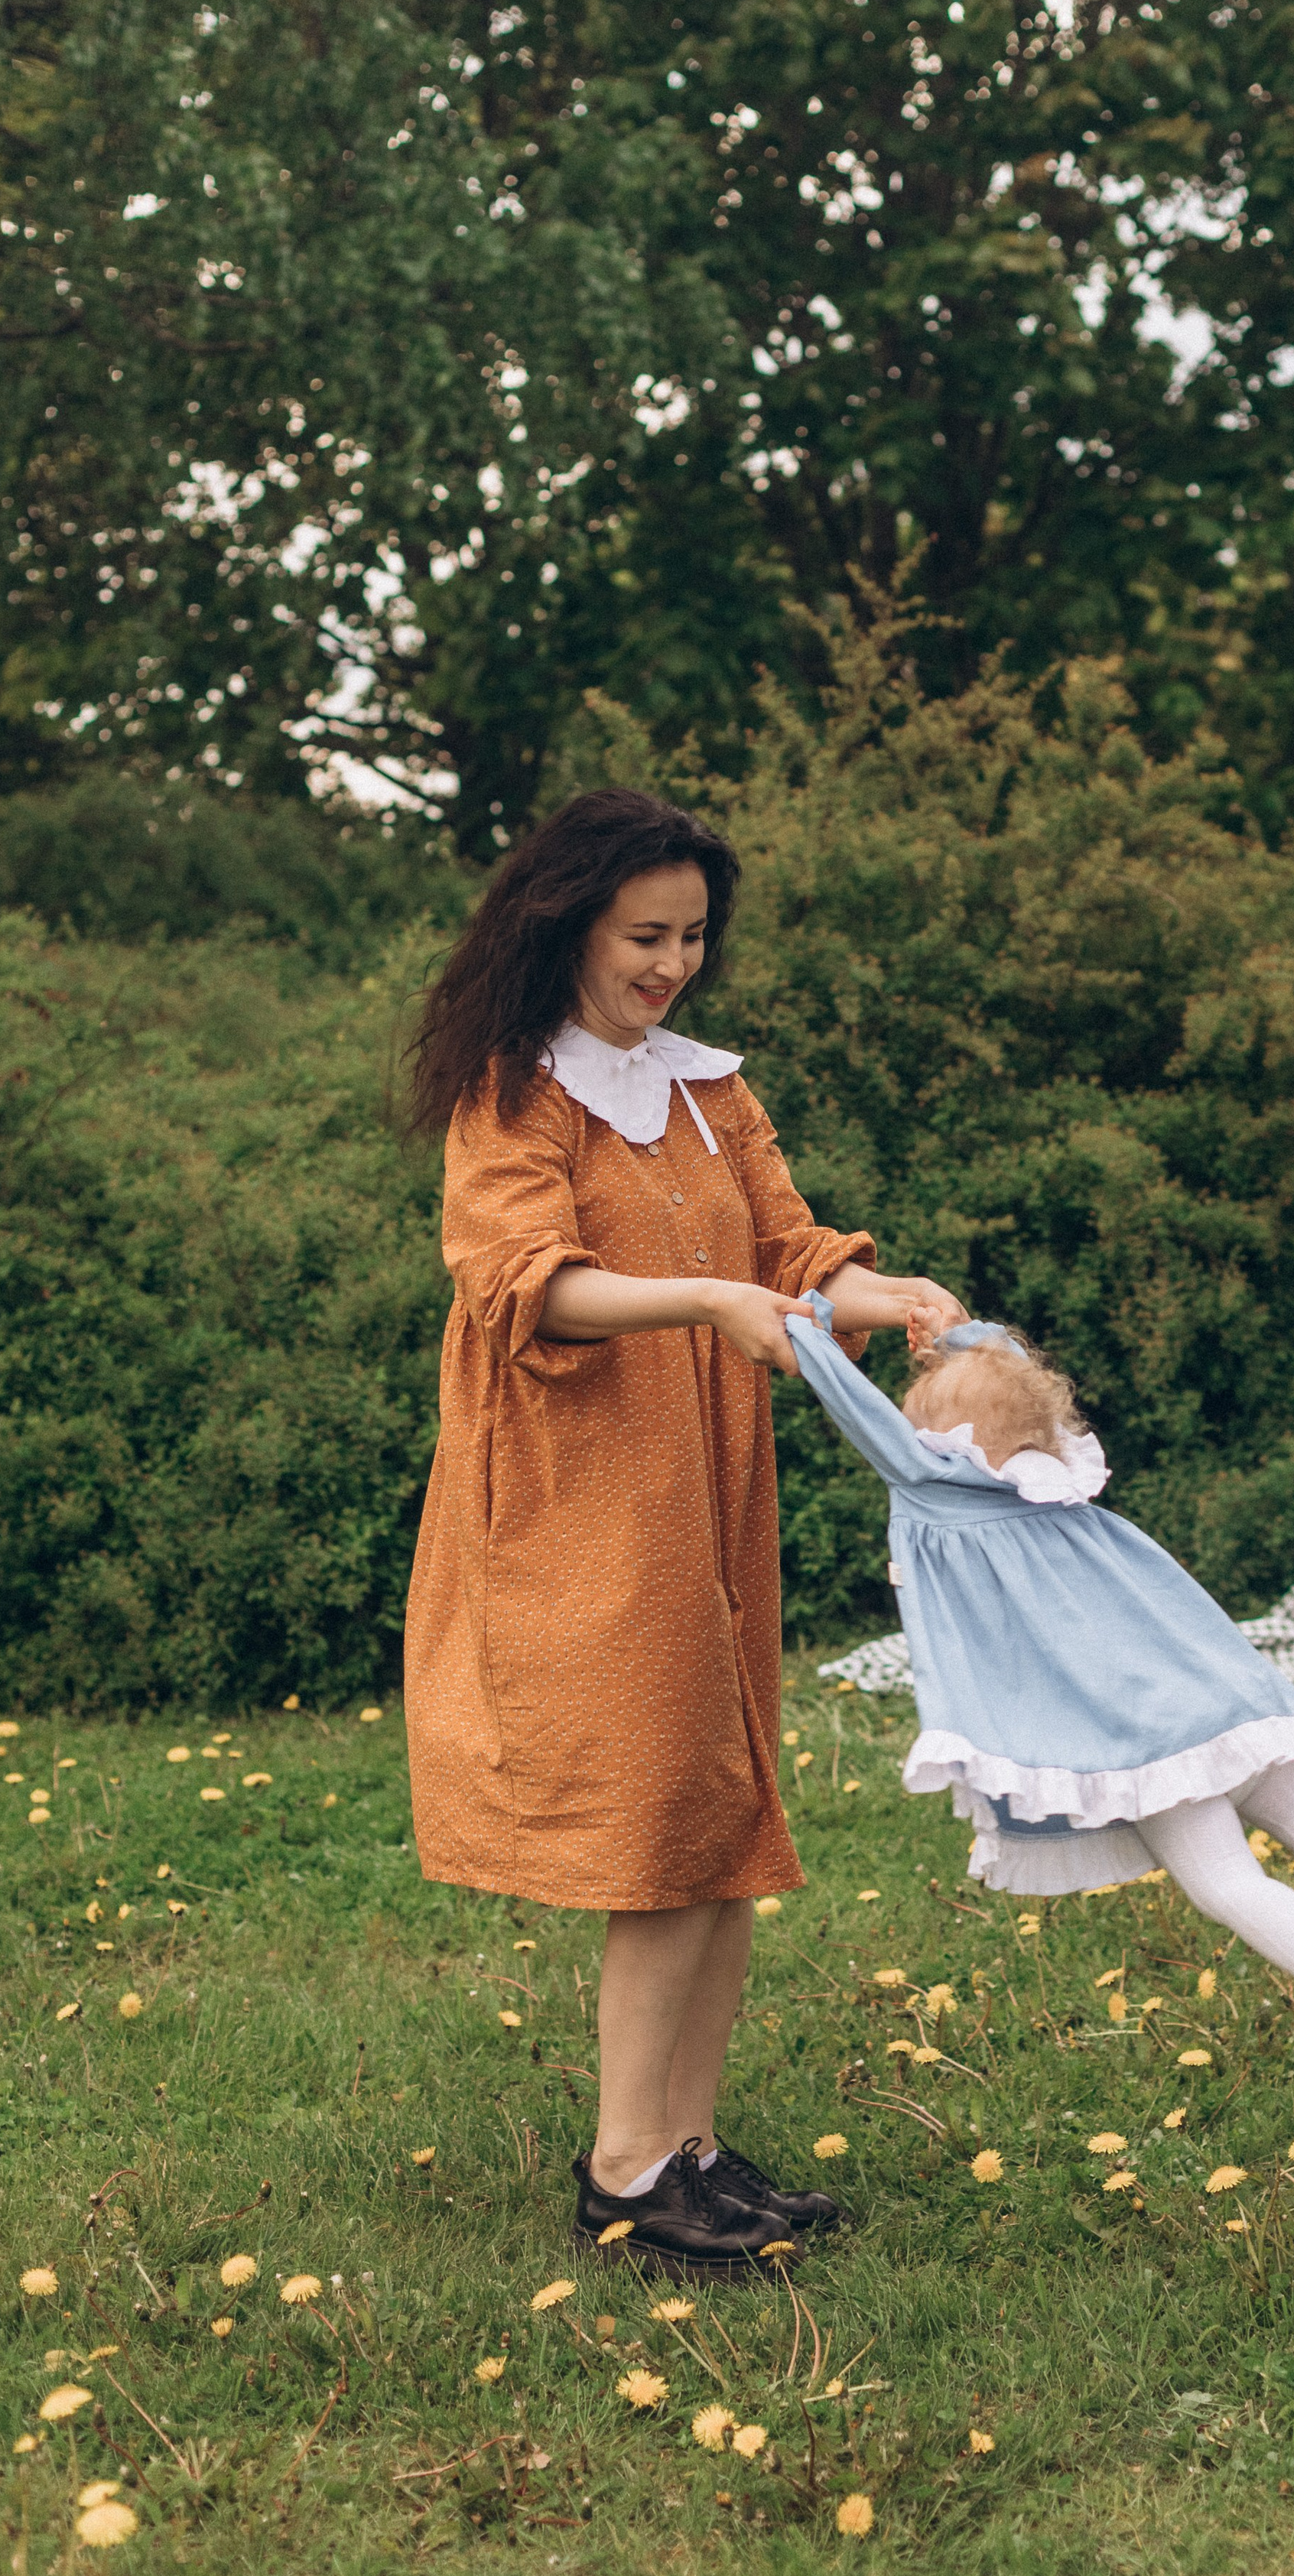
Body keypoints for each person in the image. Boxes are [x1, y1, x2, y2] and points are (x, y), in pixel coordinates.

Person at [402, 787, 966, 2277]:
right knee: (661, 1822)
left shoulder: (709, 1092)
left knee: (721, 1815)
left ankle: (690, 2146)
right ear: (568, 924)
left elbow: (786, 1257)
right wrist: (710, 1306)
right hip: (585, 1505)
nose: (669, 964)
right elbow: (525, 1286)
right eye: (643, 934)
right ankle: (624, 2171)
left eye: (692, 937)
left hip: (705, 1499)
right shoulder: (514, 1091)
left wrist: (891, 1298)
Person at [790, 1302, 1294, 2090]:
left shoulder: (937, 1484)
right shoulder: (1056, 1476)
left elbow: (856, 1406)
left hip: (1135, 1732)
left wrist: (805, 1331)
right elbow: (1008, 1359)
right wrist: (958, 1339)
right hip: (1217, 1698)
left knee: (1223, 1880)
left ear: (941, 1443)